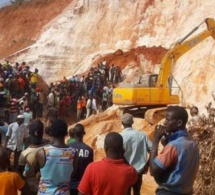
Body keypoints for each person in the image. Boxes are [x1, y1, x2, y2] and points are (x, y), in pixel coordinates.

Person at [149, 106, 199, 195]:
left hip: (169, 192)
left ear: (179, 123)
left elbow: (153, 170)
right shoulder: (193, 143)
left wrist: (155, 141)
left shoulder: (173, 146)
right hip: (187, 191)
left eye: (168, 120)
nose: (164, 122)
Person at [35, 119, 77, 195]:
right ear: (66, 133)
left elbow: (36, 171)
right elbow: (72, 173)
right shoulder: (73, 153)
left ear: (51, 133)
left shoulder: (42, 152)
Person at [120, 113, 152, 195]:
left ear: (122, 123)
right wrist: (147, 164)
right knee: (137, 192)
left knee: (126, 192)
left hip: (125, 171)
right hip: (139, 171)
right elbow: (153, 150)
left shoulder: (120, 137)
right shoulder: (142, 135)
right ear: (132, 122)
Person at [18, 119, 49, 195]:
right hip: (47, 188)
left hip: (30, 188)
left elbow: (19, 174)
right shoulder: (50, 148)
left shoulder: (25, 153)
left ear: (30, 133)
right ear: (42, 132)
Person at [68, 124, 93, 195]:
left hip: (68, 185)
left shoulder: (67, 148)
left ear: (73, 133)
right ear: (84, 133)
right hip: (82, 186)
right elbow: (89, 169)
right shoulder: (89, 150)